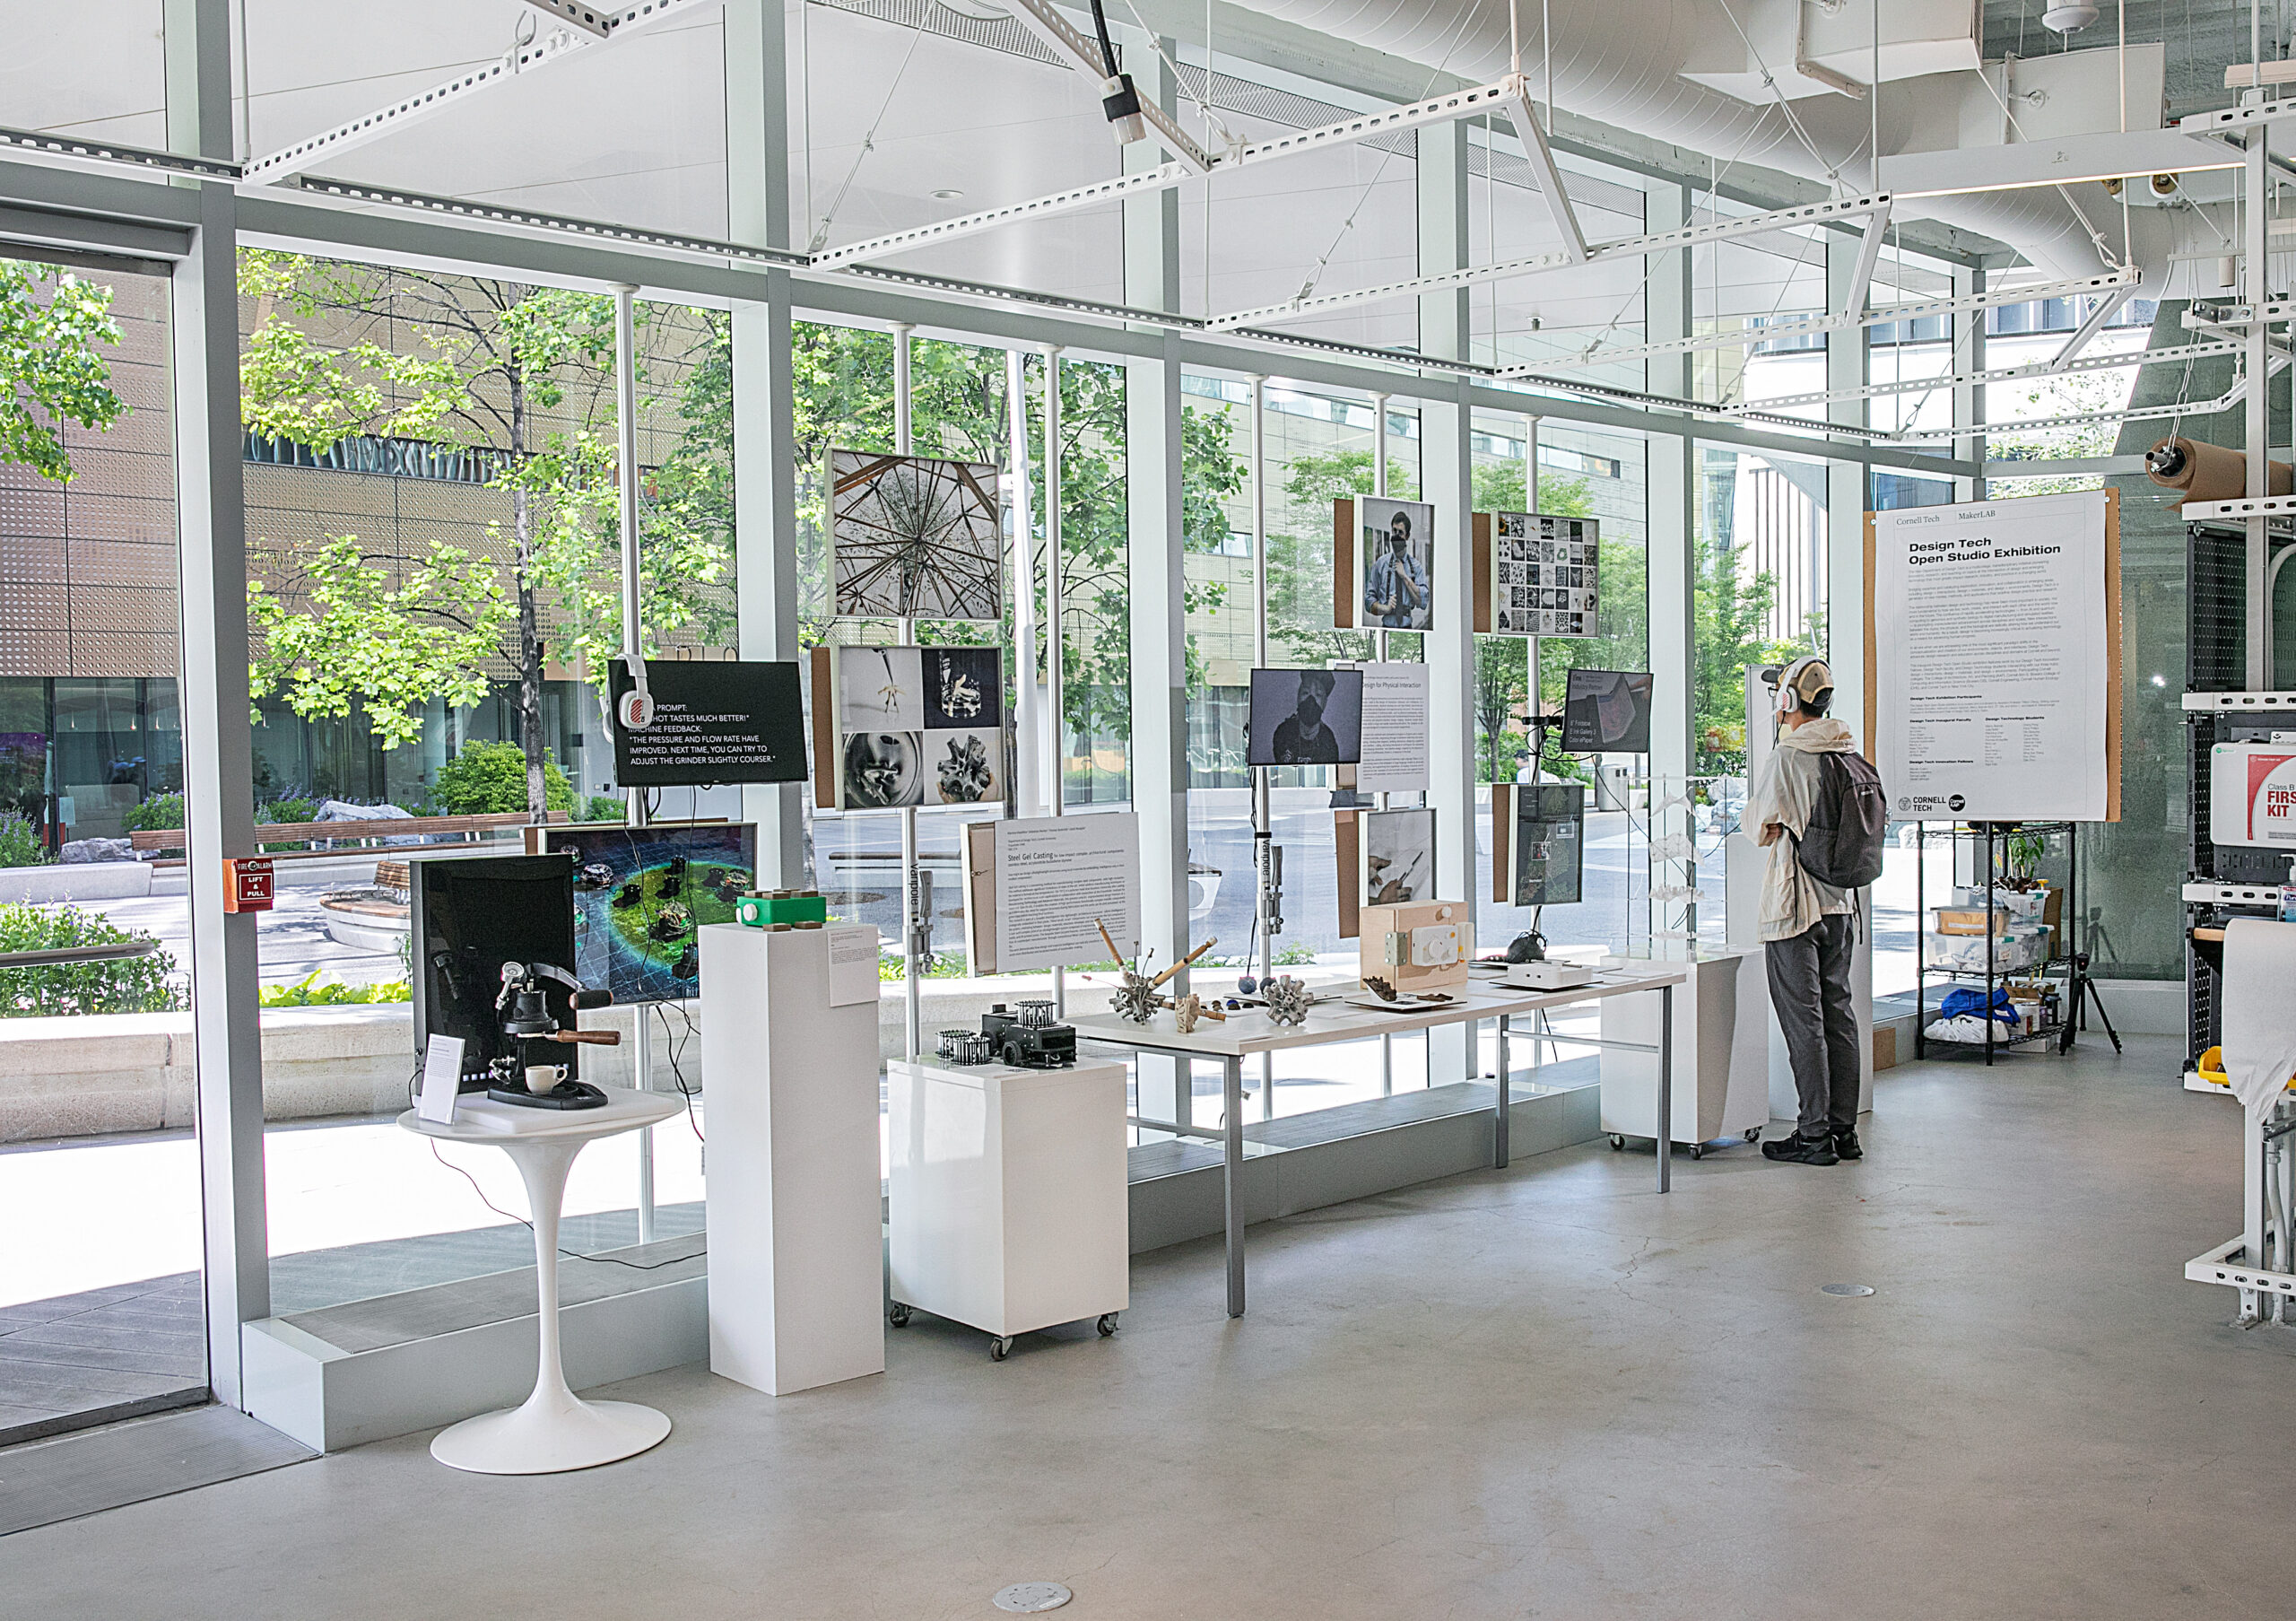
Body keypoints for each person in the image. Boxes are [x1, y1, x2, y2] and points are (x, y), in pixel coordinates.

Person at [1749, 657, 1864, 1166]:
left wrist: (1774, 823)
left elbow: (1758, 826)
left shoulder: (1789, 757)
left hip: (1795, 908)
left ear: (1788, 700)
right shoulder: (1848, 753)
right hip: (1842, 905)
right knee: (1839, 1016)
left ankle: (1813, 1136)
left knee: (1805, 1024)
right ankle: (1844, 1132)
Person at [1363, 510, 1427, 629]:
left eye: (1400, 533)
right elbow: (1368, 602)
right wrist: (1386, 608)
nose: (1396, 536)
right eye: (1394, 531)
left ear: (1407, 536)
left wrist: (1404, 577)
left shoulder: (1416, 566)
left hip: (1407, 627)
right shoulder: (1381, 564)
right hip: (1386, 626)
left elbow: (1422, 602)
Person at [1269, 669, 1341, 764]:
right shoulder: (1283, 733)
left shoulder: (1328, 741)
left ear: (1324, 703)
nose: (1311, 700)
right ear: (1298, 698)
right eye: (1305, 693)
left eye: (1318, 694)